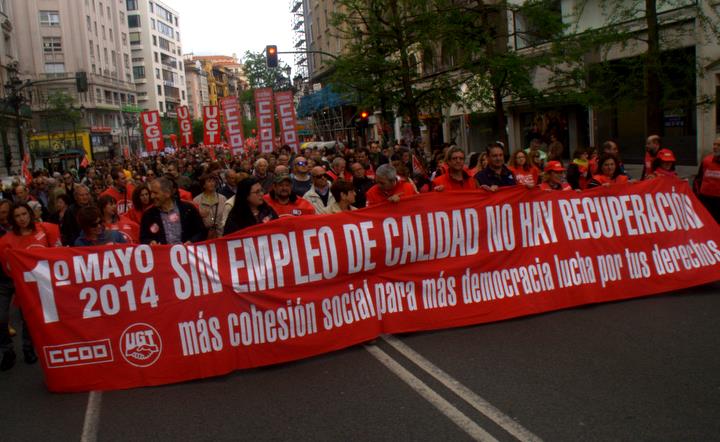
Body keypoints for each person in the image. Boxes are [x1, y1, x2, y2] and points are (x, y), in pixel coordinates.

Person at [0, 203, 62, 368]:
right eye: (17, 216)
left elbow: (57, 254)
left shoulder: (45, 230)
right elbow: (6, 268)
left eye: (24, 214)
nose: (22, 218)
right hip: (8, 282)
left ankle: (28, 348)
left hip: (33, 283)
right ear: (12, 219)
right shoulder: (6, 240)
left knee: (27, 318)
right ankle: (7, 351)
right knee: (1, 317)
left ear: (30, 214)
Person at [140, 177, 207, 245]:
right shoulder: (148, 215)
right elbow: (143, 238)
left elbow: (201, 232)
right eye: (151, 193)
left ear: (167, 193)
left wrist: (191, 241)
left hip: (186, 254)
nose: (152, 196)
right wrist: (150, 242)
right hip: (162, 254)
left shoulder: (188, 209)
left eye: (155, 193)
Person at [693, 136, 720, 223]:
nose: (715, 147)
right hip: (705, 200)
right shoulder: (706, 161)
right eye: (714, 144)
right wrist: (697, 195)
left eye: (718, 145)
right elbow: (698, 179)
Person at [193, 174, 227, 239]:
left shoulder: (223, 198)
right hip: (204, 236)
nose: (212, 183)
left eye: (213, 181)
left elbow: (226, 217)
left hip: (221, 234)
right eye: (209, 181)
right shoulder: (196, 200)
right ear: (203, 185)